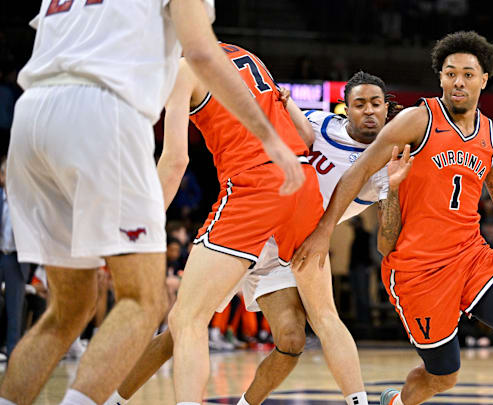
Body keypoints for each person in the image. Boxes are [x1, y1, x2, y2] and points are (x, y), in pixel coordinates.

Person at [0, 1, 305, 404]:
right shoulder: (225, 62)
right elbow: (200, 52)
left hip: (31, 118)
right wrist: (268, 136)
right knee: (145, 302)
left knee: (66, 311)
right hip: (100, 110)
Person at [294, 31, 493, 405]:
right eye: (451, 73)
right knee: (444, 375)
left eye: (468, 74)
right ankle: (398, 402)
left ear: (484, 79)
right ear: (440, 77)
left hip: (470, 256)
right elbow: (356, 174)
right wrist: (324, 231)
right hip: (416, 270)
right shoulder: (416, 121)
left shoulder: (492, 137)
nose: (458, 81)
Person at [105, 70, 397, 405]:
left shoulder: (386, 166)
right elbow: (285, 139)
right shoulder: (318, 121)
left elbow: (387, 238)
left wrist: (395, 191)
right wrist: (289, 110)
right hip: (257, 219)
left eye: (376, 104)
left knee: (293, 338)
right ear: (346, 108)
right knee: (182, 330)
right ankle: (116, 396)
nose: (369, 110)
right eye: (360, 104)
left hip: (298, 240)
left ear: (387, 109)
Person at [0, 158, 30, 358]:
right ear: (2, 176)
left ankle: (14, 360)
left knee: (15, 315)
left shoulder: (26, 202)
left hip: (16, 261)